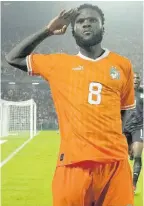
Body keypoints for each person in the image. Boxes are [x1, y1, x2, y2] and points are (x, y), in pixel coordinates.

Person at [6, 4, 135, 206]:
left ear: (103, 27)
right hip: (73, 164)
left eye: (92, 20)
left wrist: (123, 142)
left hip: (115, 166)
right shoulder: (58, 64)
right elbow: (13, 58)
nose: (86, 24)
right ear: (72, 30)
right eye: (80, 21)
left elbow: (125, 110)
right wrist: (48, 31)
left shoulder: (123, 65)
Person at [124, 72, 143, 193]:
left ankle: (133, 185)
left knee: (137, 156)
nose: (136, 79)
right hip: (124, 128)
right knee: (121, 157)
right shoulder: (123, 92)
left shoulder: (142, 93)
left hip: (139, 127)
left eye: (138, 78)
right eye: (133, 78)